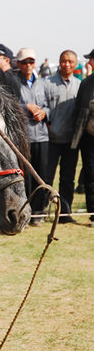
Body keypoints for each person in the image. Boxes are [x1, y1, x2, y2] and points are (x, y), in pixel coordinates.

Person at [14, 48, 50, 223]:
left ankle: (39, 211)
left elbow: (49, 105)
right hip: (24, 136)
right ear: (18, 64)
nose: (28, 65)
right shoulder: (14, 82)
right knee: (25, 177)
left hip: (42, 136)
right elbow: (11, 104)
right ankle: (25, 211)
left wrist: (45, 113)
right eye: (24, 62)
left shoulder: (43, 83)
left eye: (31, 62)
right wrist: (25, 106)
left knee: (41, 175)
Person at [44, 50, 80, 224]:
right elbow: (41, 106)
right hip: (51, 139)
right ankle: (40, 212)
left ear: (75, 64)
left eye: (70, 62)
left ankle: (65, 214)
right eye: (64, 61)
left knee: (67, 179)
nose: (67, 64)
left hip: (71, 142)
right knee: (46, 177)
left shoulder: (79, 85)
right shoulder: (47, 83)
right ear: (59, 62)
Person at [72, 48, 94, 226]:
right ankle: (93, 213)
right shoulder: (86, 84)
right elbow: (79, 109)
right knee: (91, 175)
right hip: (88, 138)